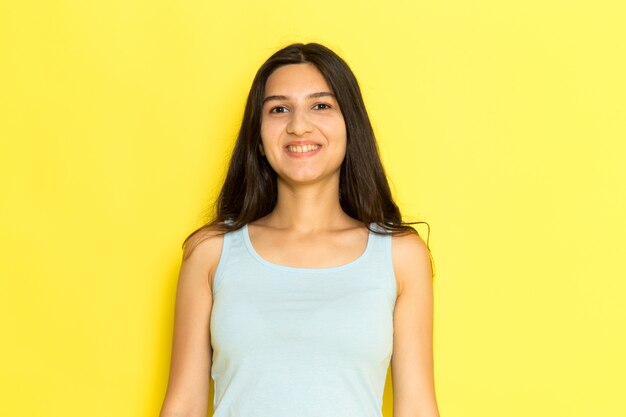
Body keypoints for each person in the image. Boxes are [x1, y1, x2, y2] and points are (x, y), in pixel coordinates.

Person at [159, 42, 440, 417]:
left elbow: (418, 407)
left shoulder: (401, 256)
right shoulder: (210, 252)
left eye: (320, 105)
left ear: (349, 127)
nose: (298, 125)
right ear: (257, 139)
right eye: (279, 109)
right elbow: (184, 406)